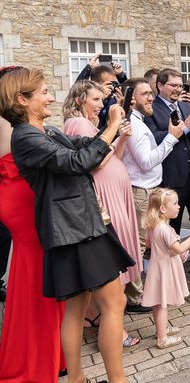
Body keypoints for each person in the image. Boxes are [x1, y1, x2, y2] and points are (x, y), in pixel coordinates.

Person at [2, 68, 134, 383]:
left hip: (74, 227)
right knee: (115, 302)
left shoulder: (43, 131)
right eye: (44, 92)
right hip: (76, 229)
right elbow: (78, 163)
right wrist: (113, 125)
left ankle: (75, 377)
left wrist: (108, 127)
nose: (51, 97)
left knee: (76, 308)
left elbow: (84, 148)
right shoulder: (26, 137)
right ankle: (117, 380)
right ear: (23, 100)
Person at [0, 66, 66, 382]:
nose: (47, 95)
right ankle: (34, 362)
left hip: (23, 193)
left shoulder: (23, 122)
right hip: (19, 197)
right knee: (35, 275)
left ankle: (53, 356)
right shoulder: (14, 122)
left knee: (38, 272)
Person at [63, 80, 146, 323]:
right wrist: (113, 125)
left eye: (102, 99)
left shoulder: (90, 125)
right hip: (105, 197)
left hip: (116, 194)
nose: (101, 105)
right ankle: (104, 319)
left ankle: (104, 317)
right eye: (96, 100)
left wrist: (119, 139)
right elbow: (94, 161)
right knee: (112, 262)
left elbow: (112, 158)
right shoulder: (77, 123)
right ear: (79, 100)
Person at [144, 68, 190, 281]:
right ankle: (171, 274)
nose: (177, 89)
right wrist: (183, 128)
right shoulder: (152, 110)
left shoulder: (187, 106)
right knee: (170, 227)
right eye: (172, 85)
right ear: (160, 86)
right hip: (172, 178)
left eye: (179, 85)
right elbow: (153, 138)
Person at [121, 78, 184, 264]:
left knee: (150, 242)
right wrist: (171, 138)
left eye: (151, 93)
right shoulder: (135, 125)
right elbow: (146, 163)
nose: (151, 98)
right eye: (146, 94)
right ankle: (135, 292)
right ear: (131, 99)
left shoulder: (139, 121)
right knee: (140, 244)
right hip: (141, 192)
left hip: (149, 189)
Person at [141, 188, 190, 349]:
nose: (179, 206)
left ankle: (161, 329)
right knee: (163, 304)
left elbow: (150, 244)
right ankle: (162, 338)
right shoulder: (164, 229)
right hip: (165, 270)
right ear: (162, 209)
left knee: (158, 303)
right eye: (175, 204)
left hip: (157, 268)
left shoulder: (154, 226)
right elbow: (180, 249)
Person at [90, 64, 125, 129]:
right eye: (110, 84)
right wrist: (100, 97)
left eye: (115, 83)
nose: (113, 87)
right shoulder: (88, 102)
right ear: (96, 84)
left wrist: (121, 75)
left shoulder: (114, 100)